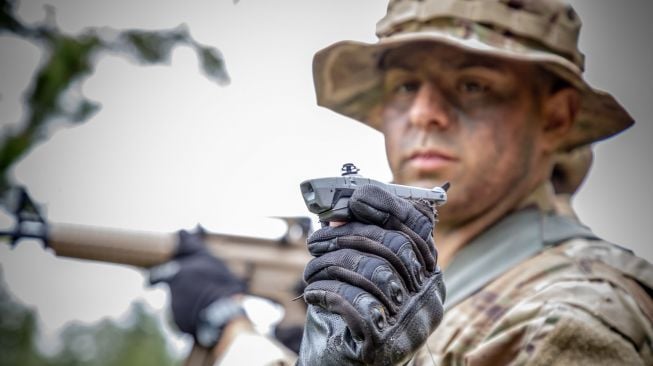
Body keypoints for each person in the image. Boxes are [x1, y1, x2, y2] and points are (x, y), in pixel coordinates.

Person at [155, 0, 653, 365]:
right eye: (405, 85)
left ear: (556, 118)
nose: (423, 113)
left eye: (473, 84)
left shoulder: (573, 313)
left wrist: (234, 336)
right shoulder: (414, 268)